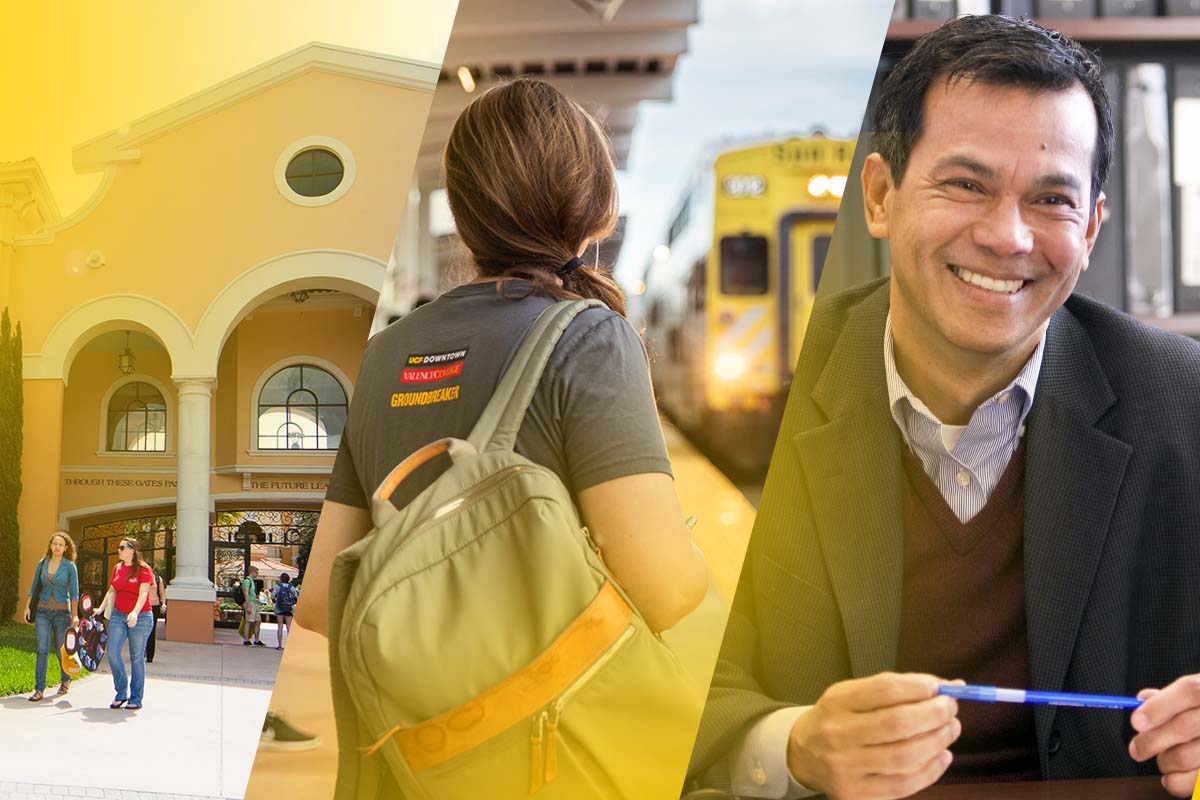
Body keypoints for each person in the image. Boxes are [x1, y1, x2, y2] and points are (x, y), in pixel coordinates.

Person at [689, 15, 1200, 800]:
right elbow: (682, 697)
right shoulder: (775, 409)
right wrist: (791, 747)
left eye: (1052, 198)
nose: (1008, 236)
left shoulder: (1183, 400)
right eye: (966, 184)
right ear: (882, 195)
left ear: (1091, 228)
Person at [94, 537, 154, 710]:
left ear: (132, 550)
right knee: (112, 652)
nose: (118, 550)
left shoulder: (143, 569)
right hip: (119, 615)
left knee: (137, 657)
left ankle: (136, 698)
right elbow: (112, 590)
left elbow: (143, 594)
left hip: (141, 617)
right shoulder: (117, 568)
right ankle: (121, 692)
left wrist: (134, 612)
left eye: (122, 547)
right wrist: (101, 608)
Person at [22, 531, 80, 701]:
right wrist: (27, 607)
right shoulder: (42, 563)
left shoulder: (70, 566)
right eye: (54, 543)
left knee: (61, 650)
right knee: (42, 649)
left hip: (63, 613)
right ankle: (39, 689)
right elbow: (34, 587)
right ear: (50, 545)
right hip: (42, 612)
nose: (57, 547)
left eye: (60, 544)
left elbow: (75, 593)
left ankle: (65, 680)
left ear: (65, 548)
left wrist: (75, 616)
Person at [144, 569, 166, 663]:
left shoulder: (157, 579)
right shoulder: (142, 577)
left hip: (154, 606)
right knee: (141, 631)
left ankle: (150, 656)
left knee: (151, 631)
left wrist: (163, 604)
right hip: (143, 606)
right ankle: (141, 653)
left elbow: (162, 593)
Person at [271, 572, 297, 650]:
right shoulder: (291, 587)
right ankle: (291, 645)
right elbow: (296, 597)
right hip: (289, 608)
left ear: (281, 579)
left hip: (280, 608)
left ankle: (280, 645)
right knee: (289, 626)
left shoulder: (278, 587)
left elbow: (272, 596)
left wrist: (275, 601)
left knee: (280, 626)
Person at [242, 566, 264, 646]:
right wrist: (248, 606)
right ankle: (246, 639)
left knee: (258, 621)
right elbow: (246, 593)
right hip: (250, 602)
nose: (257, 574)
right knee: (249, 621)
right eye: (256, 572)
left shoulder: (252, 581)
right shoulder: (247, 581)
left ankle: (256, 640)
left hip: (254, 602)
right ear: (253, 572)